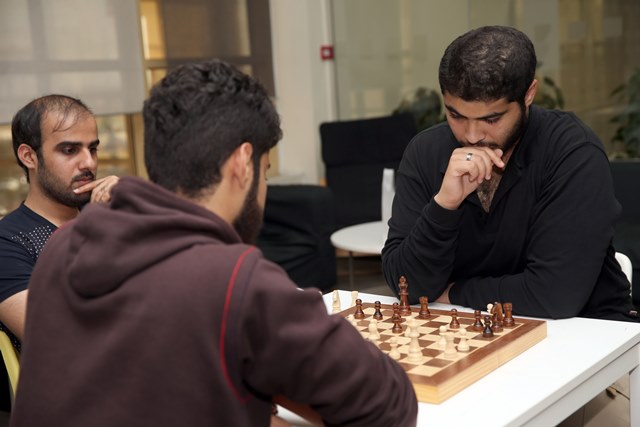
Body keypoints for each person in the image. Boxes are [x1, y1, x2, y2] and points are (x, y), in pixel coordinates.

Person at [11, 60, 418, 427]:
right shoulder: (238, 279)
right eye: (264, 171)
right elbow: (390, 406)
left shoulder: (60, 249)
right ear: (243, 163)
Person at [382, 26, 637, 322]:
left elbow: (554, 296)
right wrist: (445, 204)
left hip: (589, 330)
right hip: (473, 327)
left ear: (528, 94)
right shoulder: (425, 152)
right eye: (456, 115)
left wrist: (454, 293)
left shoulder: (572, 151)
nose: (472, 135)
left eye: (491, 118)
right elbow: (406, 286)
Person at [0, 94, 119, 344]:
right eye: (69, 150)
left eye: (93, 148)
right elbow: (56, 336)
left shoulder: (111, 214)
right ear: (29, 157)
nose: (89, 163)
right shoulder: (8, 241)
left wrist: (132, 208)